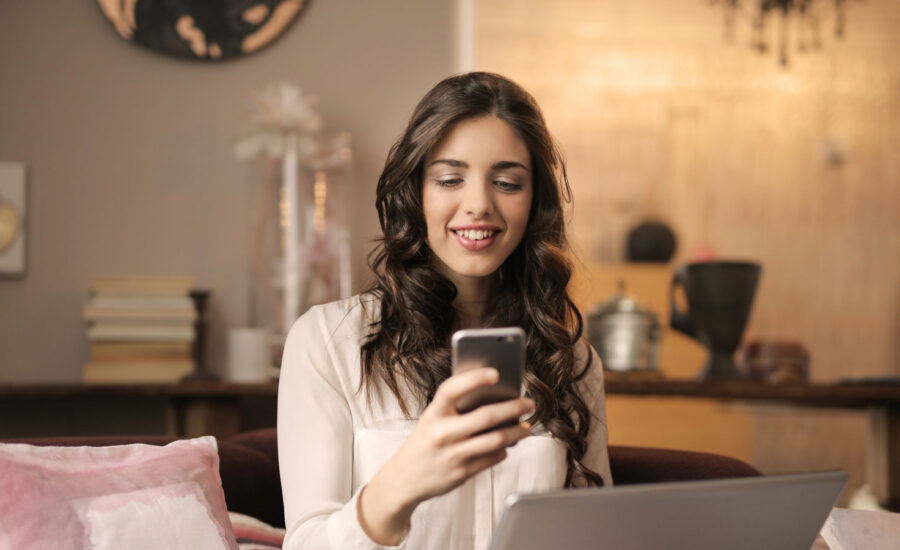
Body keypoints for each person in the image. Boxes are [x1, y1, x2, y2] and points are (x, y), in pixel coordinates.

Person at [277, 71, 611, 550]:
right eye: (450, 179)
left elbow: (597, 534)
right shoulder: (328, 342)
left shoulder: (570, 360)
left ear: (534, 201)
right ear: (416, 193)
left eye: (507, 182)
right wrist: (403, 482)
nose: (478, 204)